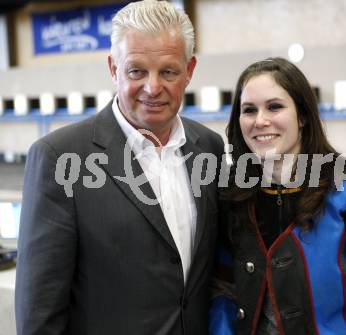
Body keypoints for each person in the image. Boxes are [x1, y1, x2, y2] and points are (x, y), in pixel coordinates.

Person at [15, 1, 224, 334]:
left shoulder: (209, 148)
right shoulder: (60, 158)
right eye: (136, 71)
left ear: (189, 71)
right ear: (113, 69)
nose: (153, 88)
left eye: (168, 71)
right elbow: (39, 311)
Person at [210, 58, 346, 334]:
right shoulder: (234, 199)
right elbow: (222, 291)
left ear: (302, 116)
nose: (260, 120)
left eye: (274, 107)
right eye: (249, 110)